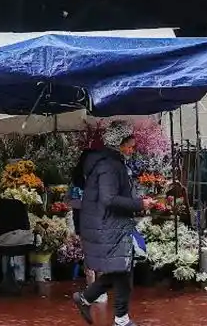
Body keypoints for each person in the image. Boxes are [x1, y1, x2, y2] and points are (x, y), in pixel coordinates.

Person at [72, 121, 154, 326]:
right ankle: (120, 319)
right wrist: (139, 204)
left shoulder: (109, 162)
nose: (132, 150)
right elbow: (109, 198)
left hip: (111, 224)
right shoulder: (109, 165)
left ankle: (87, 299)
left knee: (120, 269)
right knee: (122, 270)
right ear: (119, 143)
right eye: (130, 145)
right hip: (109, 225)